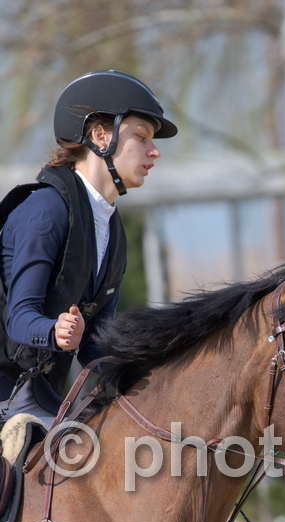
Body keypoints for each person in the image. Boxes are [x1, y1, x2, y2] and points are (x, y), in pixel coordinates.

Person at [0, 69, 178, 430]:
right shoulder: (45, 211)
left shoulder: (110, 226)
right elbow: (20, 320)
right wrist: (55, 329)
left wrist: (157, 372)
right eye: (141, 137)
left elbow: (95, 347)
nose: (154, 151)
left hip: (44, 399)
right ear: (100, 135)